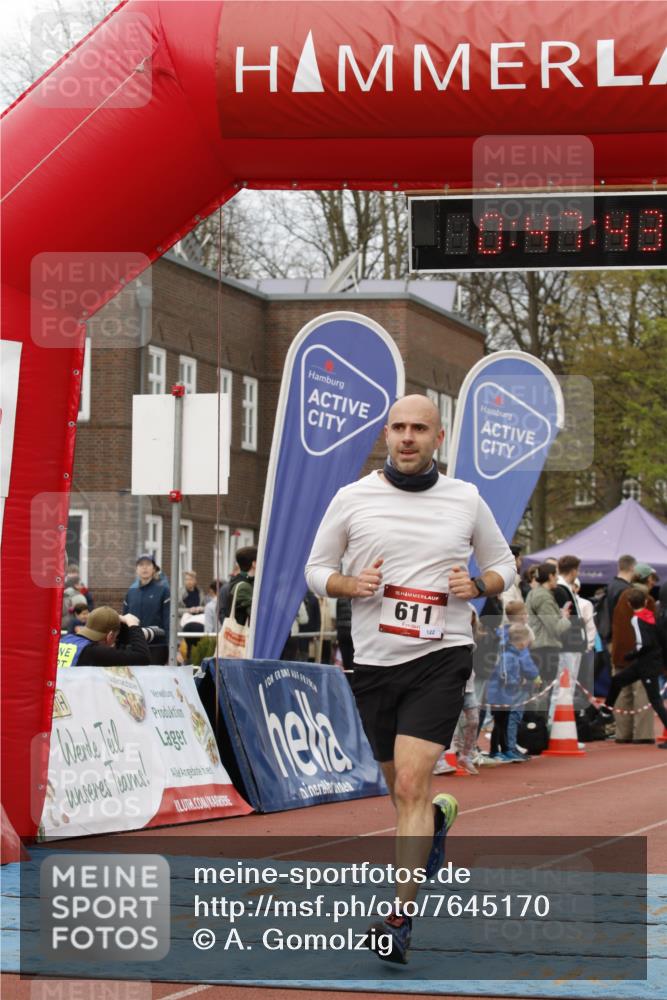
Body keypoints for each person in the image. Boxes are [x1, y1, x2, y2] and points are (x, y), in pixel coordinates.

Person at [305, 394, 515, 964]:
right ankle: (438, 821)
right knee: (406, 796)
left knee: (409, 787)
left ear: (437, 437)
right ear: (387, 434)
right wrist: (350, 586)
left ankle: (398, 919)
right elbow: (316, 568)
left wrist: (482, 586)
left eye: (419, 428)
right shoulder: (353, 498)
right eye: (398, 427)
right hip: (373, 661)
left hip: (441, 654)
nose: (407, 437)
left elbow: (505, 563)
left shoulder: (465, 499)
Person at [600, 588, 667, 747]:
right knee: (617, 680)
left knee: (656, 701)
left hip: (646, 665)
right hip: (646, 663)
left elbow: (643, 643)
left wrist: (631, 655)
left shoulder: (636, 620)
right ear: (645, 602)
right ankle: (606, 711)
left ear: (629, 604)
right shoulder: (651, 616)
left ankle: (606, 711)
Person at [610, 563, 660, 744]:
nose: (654, 583)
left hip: (620, 652)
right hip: (640, 654)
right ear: (647, 579)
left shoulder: (622, 595)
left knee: (623, 694)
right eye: (653, 579)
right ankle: (642, 734)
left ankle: (622, 734)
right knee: (642, 694)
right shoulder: (647, 600)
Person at [486, 623, 540, 762]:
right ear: (522, 642)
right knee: (499, 724)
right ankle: (494, 751)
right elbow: (504, 675)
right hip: (500, 695)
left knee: (503, 723)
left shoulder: (512, 654)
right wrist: (519, 682)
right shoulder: (509, 655)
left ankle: (505, 749)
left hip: (505, 695)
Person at [526, 562, 571, 689]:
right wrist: (565, 617)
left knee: (539, 693)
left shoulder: (535, 593)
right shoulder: (544, 597)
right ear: (550, 576)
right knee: (543, 694)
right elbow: (556, 628)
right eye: (556, 575)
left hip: (539, 649)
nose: (557, 578)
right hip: (544, 650)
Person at [57, 606, 151, 667]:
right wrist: (133, 624)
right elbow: (142, 657)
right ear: (110, 636)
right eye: (115, 636)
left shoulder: (65, 640)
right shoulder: (93, 652)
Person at [122, 554, 170, 664]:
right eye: (141, 565)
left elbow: (168, 621)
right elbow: (125, 619)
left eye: (148, 564)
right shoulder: (131, 591)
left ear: (154, 568)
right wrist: (122, 645)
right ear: (136, 569)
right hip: (134, 646)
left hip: (157, 646)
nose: (144, 568)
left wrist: (172, 647)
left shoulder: (163, 590)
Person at [222, 547, 257, 626]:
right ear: (254, 564)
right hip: (243, 635)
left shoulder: (240, 581)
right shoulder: (243, 586)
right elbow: (256, 615)